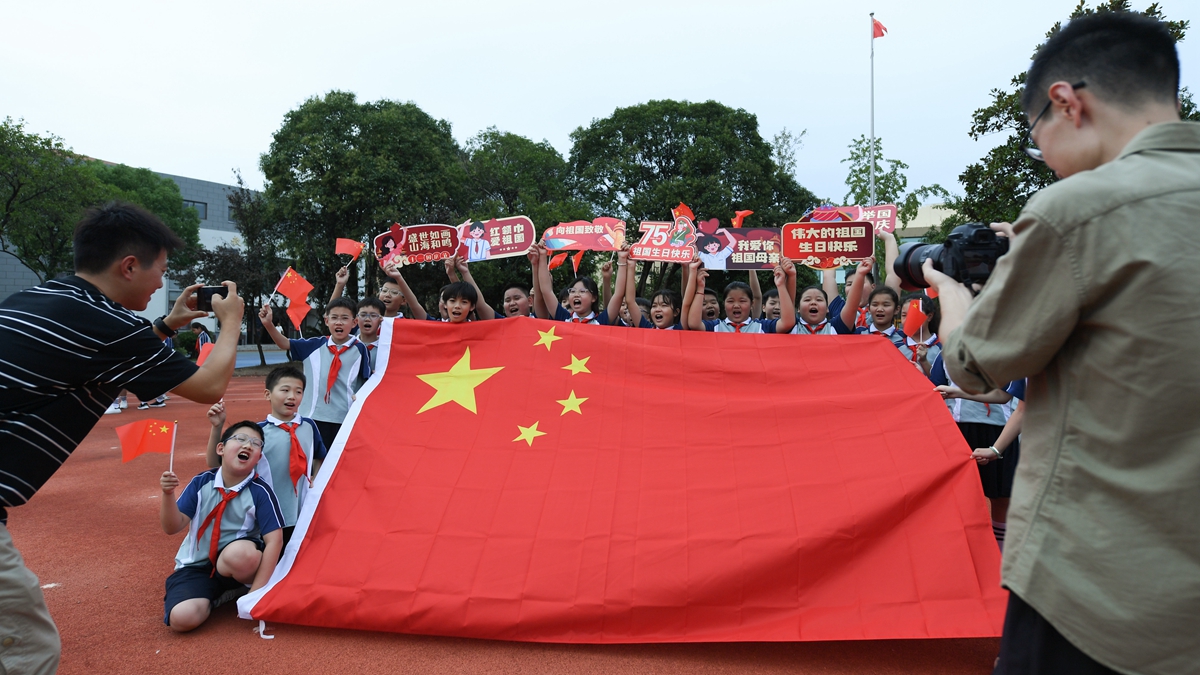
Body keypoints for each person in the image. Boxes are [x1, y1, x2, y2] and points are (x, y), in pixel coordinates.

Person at [928, 13, 1199, 673]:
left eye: (1036, 138)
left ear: (1066, 103)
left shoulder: (1077, 210)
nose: (1045, 158)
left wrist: (950, 290)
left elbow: (973, 365)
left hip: (1097, 589)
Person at [0, 201, 243, 672]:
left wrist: (168, 326)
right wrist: (231, 321)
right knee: (27, 652)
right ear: (129, 266)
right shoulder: (109, 327)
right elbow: (208, 385)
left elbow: (102, 352)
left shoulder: (40, 298)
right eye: (161, 272)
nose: (160, 284)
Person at [160, 420, 283, 632]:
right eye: (240, 439)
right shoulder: (201, 482)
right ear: (221, 449)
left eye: (256, 443)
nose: (248, 445)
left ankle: (243, 589)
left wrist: (256, 597)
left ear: (259, 457)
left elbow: (275, 541)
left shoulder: (260, 491)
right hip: (197, 566)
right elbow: (172, 527)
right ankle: (221, 596)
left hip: (235, 565)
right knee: (182, 619)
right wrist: (167, 494)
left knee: (240, 554)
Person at [205, 367, 325, 547]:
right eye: (285, 390)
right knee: (272, 554)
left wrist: (316, 477)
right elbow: (215, 462)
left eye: (298, 392)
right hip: (270, 512)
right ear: (268, 394)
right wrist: (217, 427)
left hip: (303, 509)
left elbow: (319, 456)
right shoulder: (257, 433)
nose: (292, 396)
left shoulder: (309, 426)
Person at [258, 298, 371, 450]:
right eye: (334, 318)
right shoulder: (313, 345)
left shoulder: (361, 350)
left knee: (337, 459)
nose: (339, 322)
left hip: (345, 417)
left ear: (354, 322)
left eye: (345, 318)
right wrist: (268, 324)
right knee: (312, 459)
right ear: (326, 321)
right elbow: (284, 343)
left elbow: (366, 381)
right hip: (312, 417)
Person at [687, 256, 797, 333]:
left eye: (742, 301)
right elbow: (694, 324)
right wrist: (700, 287)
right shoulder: (715, 326)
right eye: (730, 301)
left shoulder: (763, 326)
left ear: (752, 304)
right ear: (724, 304)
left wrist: (781, 285)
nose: (736, 305)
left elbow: (787, 323)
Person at [355, 298, 387, 370]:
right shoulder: (349, 346)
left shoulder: (386, 348)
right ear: (356, 318)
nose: (367, 319)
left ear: (381, 319)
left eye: (373, 315)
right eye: (363, 315)